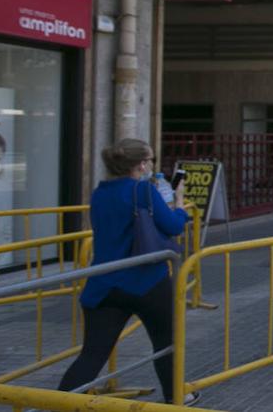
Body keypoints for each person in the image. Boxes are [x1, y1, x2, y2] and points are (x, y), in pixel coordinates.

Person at [58, 139, 194, 405]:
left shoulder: (99, 193)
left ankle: (60, 404)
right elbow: (173, 226)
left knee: (92, 354)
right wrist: (179, 203)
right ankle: (176, 399)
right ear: (141, 164)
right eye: (150, 160)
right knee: (166, 344)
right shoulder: (144, 191)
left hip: (104, 283)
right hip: (147, 281)